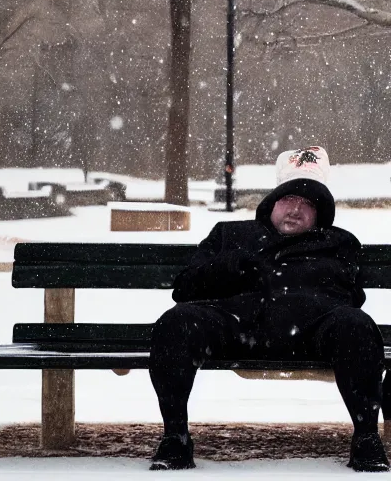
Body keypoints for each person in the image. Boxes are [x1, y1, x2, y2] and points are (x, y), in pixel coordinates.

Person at [149, 146, 389, 473]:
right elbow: (185, 288)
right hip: (235, 325)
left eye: (308, 205)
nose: (296, 210)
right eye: (289, 200)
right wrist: (232, 266)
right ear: (271, 204)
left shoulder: (338, 242)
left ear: (319, 216)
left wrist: (302, 288)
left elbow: (350, 296)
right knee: (177, 323)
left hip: (310, 330)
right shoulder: (230, 234)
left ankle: (366, 438)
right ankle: (175, 437)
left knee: (355, 324)